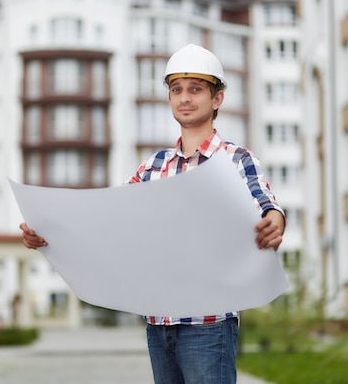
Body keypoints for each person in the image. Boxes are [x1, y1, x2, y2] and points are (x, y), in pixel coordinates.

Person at [20, 43, 285, 384]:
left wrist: (274, 221)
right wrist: (48, 234)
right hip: (159, 327)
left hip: (209, 326)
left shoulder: (236, 160)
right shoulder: (153, 167)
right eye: (176, 90)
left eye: (196, 89)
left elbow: (267, 205)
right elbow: (108, 220)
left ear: (217, 98)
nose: (185, 98)